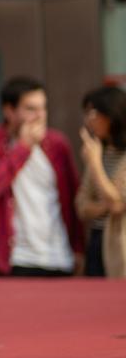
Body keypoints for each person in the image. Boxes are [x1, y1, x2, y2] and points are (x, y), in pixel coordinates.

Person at [0, 77, 83, 276]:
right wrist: (24, 147)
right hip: (16, 260)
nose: (40, 116)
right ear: (8, 111)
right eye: (31, 109)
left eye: (43, 108)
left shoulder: (57, 144)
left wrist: (78, 247)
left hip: (60, 258)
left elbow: (73, 198)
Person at [76, 85, 126, 277]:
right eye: (87, 113)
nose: (89, 120)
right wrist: (108, 204)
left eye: (94, 113)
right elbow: (82, 205)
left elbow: (116, 203)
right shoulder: (99, 151)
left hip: (120, 242)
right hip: (97, 239)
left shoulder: (97, 156)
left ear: (113, 113)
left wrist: (96, 165)